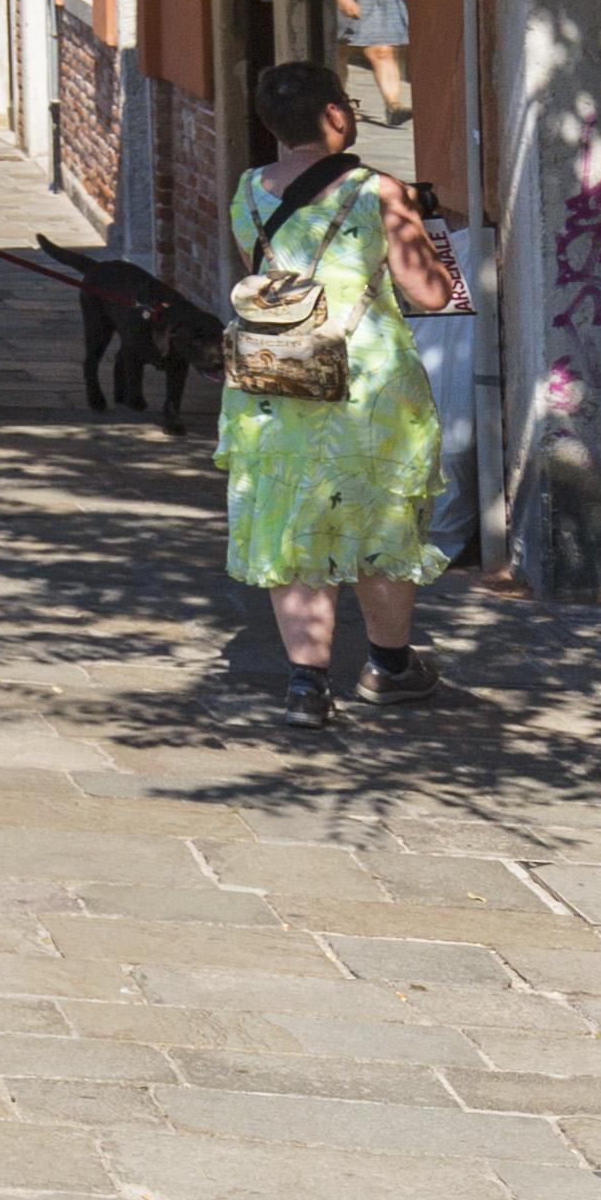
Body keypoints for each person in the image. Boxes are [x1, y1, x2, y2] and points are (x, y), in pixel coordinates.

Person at [221, 57, 459, 722]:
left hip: (275, 382)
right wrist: (419, 227)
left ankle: (306, 684)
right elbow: (431, 293)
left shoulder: (248, 191)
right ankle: (388, 667)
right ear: (336, 116)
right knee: (378, 517)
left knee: (293, 522)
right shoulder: (377, 190)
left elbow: (272, 280)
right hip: (366, 383)